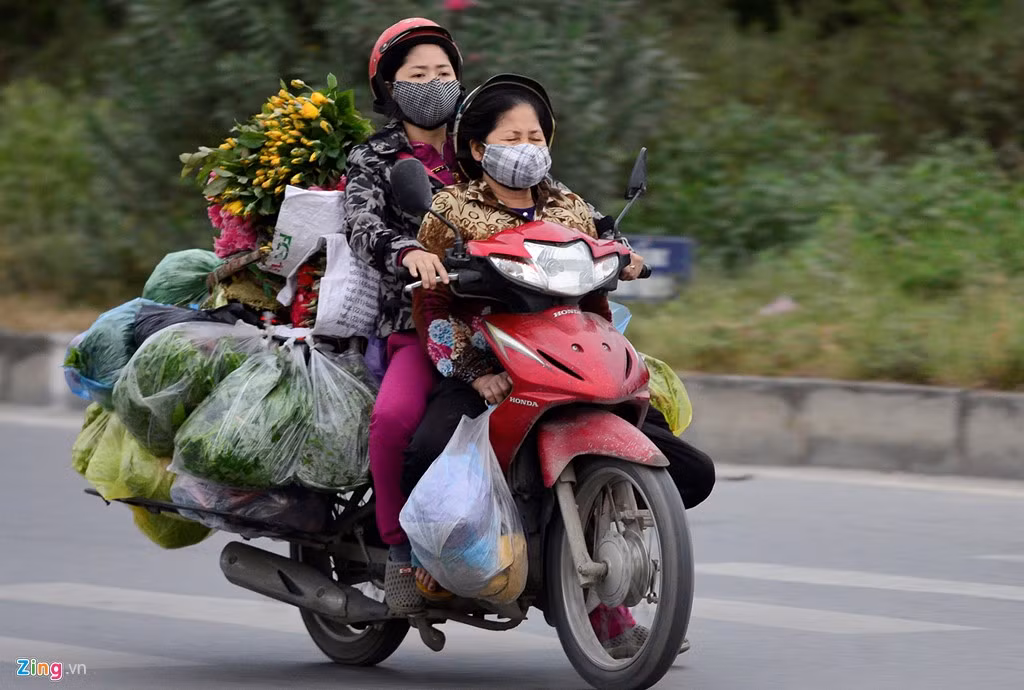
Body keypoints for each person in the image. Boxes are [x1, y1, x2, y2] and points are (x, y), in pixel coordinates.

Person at [405, 74, 715, 655]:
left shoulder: (568, 205)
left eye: (535, 137)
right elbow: (433, 304)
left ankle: (591, 550)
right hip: (491, 360)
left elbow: (605, 249)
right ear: (478, 147)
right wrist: (473, 371)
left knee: (686, 462)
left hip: (571, 352)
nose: (526, 148)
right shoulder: (449, 209)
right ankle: (418, 563)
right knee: (428, 448)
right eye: (512, 137)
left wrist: (626, 259)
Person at [342, 17, 466, 614]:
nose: (433, 83)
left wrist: (606, 241)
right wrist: (407, 251)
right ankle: (398, 551)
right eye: (418, 74)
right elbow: (362, 223)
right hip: (418, 319)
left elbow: (547, 198)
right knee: (393, 421)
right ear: (390, 87)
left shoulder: (483, 144)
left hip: (506, 312)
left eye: (443, 72)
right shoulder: (374, 156)